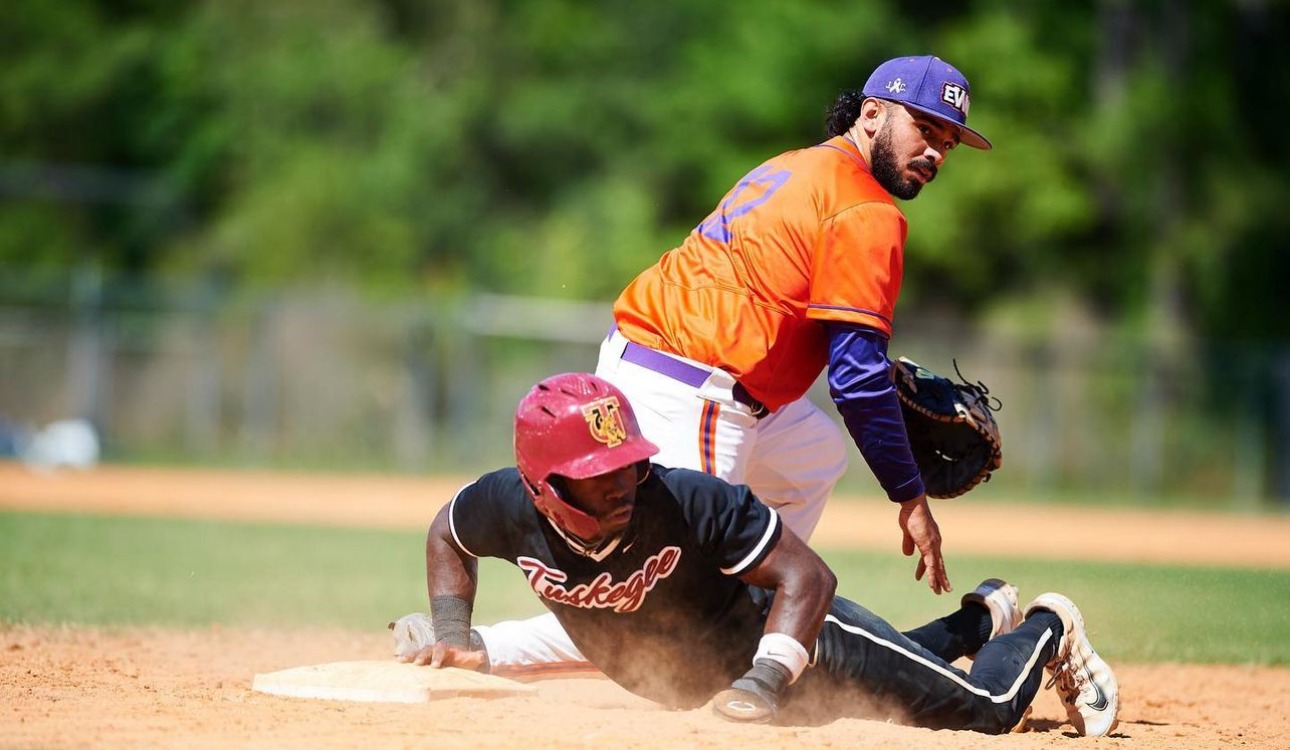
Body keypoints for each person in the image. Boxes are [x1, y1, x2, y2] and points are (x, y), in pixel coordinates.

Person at [448, 54, 994, 675]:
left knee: (814, 456)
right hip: (694, 389)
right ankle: (489, 648)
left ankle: (761, 606)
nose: (937, 152)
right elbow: (855, 375)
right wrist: (910, 494)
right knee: (676, 612)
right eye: (926, 128)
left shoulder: (797, 167)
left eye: (948, 140)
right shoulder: (865, 209)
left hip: (663, 364)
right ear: (872, 113)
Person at [400, 373, 1120, 737]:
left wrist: (766, 681)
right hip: (737, 690)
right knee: (895, 674)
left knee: (983, 712)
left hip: (799, 645)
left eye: (627, 464)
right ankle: (977, 621)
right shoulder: (504, 506)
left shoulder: (688, 501)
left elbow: (809, 576)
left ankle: (1046, 625)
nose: (623, 483)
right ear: (542, 487)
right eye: (599, 476)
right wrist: (454, 635)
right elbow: (446, 533)